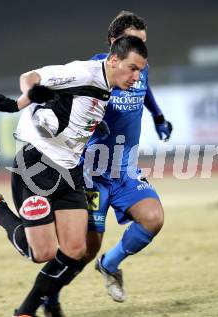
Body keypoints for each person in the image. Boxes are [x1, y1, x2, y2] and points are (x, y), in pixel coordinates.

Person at [0, 35, 148, 317]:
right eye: (133, 68)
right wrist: (30, 96)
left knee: (76, 249)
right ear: (114, 60)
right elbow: (30, 77)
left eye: (140, 70)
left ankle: (25, 312)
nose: (137, 77)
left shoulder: (106, 88)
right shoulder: (82, 72)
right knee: (39, 253)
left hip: (70, 170)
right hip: (37, 166)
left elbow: (78, 115)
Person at [44, 11, 172, 314]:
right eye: (132, 43)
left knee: (153, 218)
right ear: (114, 43)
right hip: (93, 172)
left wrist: (157, 116)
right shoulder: (95, 70)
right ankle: (49, 293)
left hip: (125, 169)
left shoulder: (140, 69)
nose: (140, 53)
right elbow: (66, 99)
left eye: (143, 45)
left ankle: (110, 265)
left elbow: (146, 89)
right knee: (83, 249)